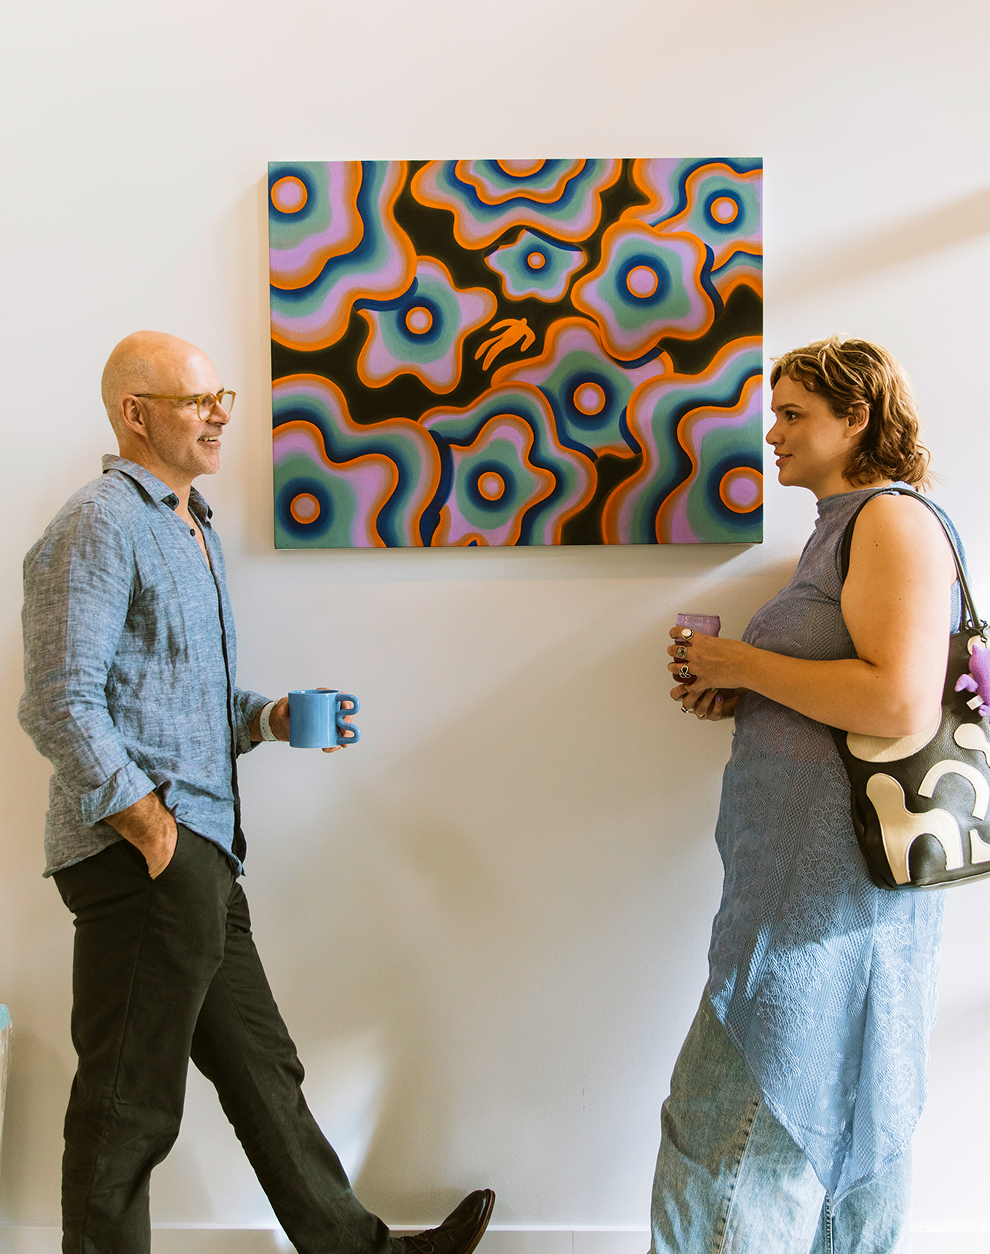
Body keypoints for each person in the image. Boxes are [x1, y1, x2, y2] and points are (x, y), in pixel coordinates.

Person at [18, 331, 496, 1254]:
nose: (221, 412)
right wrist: (151, 831)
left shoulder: (191, 527)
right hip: (142, 859)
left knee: (264, 1072)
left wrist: (270, 717)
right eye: (197, 399)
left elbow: (177, 702)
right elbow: (56, 703)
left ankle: (364, 1251)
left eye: (221, 396)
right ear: (135, 413)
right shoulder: (100, 522)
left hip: (199, 856)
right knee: (129, 1107)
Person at [652, 337, 959, 1253]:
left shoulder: (893, 520)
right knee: (787, 1142)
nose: (772, 433)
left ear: (855, 417)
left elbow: (899, 701)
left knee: (723, 1143)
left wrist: (743, 660)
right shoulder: (840, 526)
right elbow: (841, 684)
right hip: (797, 890)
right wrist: (745, 691)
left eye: (793, 413)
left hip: (823, 901)